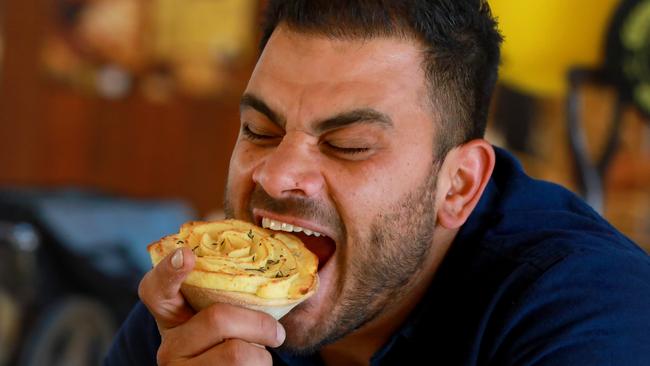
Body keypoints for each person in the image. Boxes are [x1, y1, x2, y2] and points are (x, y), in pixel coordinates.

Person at [105, 1, 650, 365]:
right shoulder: (206, 293)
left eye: (349, 146)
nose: (276, 174)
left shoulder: (589, 311)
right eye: (260, 130)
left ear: (458, 185)